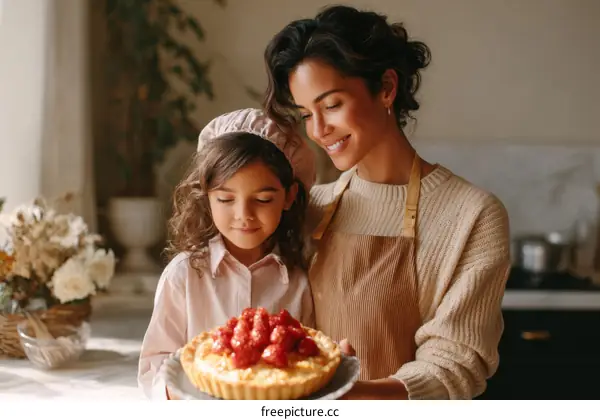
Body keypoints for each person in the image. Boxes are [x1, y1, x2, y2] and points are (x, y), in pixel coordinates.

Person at [263, 5, 511, 400]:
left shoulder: (472, 214)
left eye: (331, 105)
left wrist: (352, 395)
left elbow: (455, 364)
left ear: (386, 88)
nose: (319, 131)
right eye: (306, 114)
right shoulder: (310, 208)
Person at [137, 108, 317, 399]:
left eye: (262, 199)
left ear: (289, 197)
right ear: (206, 196)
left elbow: (307, 361)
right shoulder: (184, 275)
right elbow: (154, 364)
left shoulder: (299, 278)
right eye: (225, 199)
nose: (243, 215)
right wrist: (183, 394)